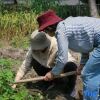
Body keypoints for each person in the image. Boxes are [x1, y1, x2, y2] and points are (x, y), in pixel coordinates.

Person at [37, 10, 100, 100]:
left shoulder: (61, 30)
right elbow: (85, 46)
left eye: (45, 31)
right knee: (95, 74)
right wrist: (82, 64)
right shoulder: (68, 24)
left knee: (88, 74)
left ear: (49, 28)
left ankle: (91, 98)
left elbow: (62, 59)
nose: (46, 34)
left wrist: (52, 73)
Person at [12, 30, 77, 97]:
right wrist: (15, 82)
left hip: (59, 69)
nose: (36, 50)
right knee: (34, 62)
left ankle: (69, 90)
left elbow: (66, 61)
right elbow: (25, 66)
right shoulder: (33, 49)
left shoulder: (57, 45)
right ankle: (48, 83)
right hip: (46, 69)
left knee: (71, 66)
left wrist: (53, 73)